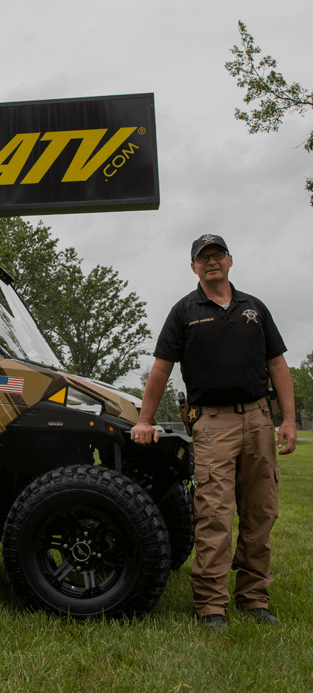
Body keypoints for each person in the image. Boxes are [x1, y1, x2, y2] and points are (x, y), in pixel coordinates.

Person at [131, 234, 296, 629]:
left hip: (258, 418)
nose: (211, 262)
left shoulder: (254, 308)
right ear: (193, 267)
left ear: (230, 260)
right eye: (203, 258)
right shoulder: (183, 312)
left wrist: (287, 420)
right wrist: (144, 419)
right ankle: (210, 606)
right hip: (211, 424)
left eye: (217, 255)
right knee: (215, 514)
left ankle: (254, 598)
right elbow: (161, 368)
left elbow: (278, 366)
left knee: (261, 512)